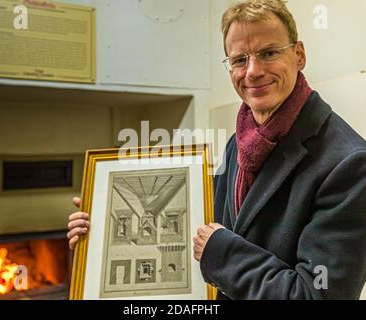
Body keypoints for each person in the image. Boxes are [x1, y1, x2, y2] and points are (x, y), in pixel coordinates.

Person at [68, 0, 366, 299]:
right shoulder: (239, 142)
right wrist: (104, 230)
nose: (252, 71)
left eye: (269, 53)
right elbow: (195, 231)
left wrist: (221, 252)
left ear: (299, 54)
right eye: (239, 60)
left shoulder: (349, 163)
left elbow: (316, 295)